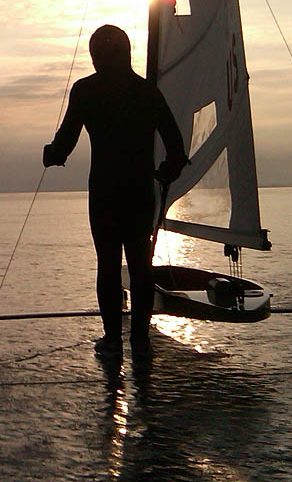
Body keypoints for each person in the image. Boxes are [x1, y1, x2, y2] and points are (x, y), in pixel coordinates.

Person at [43, 25, 187, 361]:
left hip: (105, 194)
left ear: (96, 56)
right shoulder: (148, 92)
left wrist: (50, 155)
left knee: (108, 265)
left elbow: (63, 145)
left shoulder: (86, 91)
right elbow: (177, 150)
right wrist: (167, 170)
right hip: (140, 192)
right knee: (140, 266)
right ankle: (140, 341)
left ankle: (111, 340)